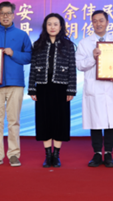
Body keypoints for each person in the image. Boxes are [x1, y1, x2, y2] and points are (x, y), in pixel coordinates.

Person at [0, 1, 33, 167]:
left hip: (15, 83)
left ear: (13, 15)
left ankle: (14, 154)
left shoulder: (22, 35)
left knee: (14, 121)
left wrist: (14, 53)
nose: (5, 16)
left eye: (8, 13)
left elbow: (29, 57)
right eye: (2, 13)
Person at [77, 10, 113, 168]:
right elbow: (79, 65)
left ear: (107, 23)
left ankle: (109, 153)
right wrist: (92, 57)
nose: (98, 24)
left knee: (111, 121)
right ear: (91, 23)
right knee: (96, 121)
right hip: (94, 88)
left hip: (112, 87)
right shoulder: (84, 43)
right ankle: (97, 153)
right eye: (95, 21)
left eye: (101, 20)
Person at [28, 13, 77, 168]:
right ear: (45, 26)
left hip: (61, 88)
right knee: (44, 120)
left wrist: (71, 90)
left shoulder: (68, 45)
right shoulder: (38, 44)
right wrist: (32, 88)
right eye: (49, 24)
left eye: (56, 24)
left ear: (61, 26)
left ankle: (56, 155)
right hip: (43, 87)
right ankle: (47, 155)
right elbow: (33, 68)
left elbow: (72, 68)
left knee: (60, 121)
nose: (52, 27)